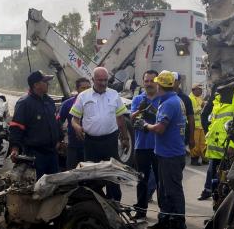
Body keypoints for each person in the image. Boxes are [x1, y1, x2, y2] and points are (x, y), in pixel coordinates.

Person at [70, 66, 130, 201]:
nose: (103, 83)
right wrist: (77, 127)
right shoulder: (83, 96)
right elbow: (74, 119)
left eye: (105, 80)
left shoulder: (114, 94)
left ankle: (115, 203)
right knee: (91, 175)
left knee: (112, 175)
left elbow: (120, 118)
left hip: (110, 142)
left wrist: (125, 138)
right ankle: (94, 204)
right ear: (93, 80)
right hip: (91, 143)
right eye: (99, 80)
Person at [140, 70, 187, 229]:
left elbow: (160, 129)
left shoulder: (168, 103)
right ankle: (165, 219)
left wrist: (144, 125)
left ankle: (178, 225)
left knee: (173, 190)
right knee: (164, 188)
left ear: (160, 85)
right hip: (167, 152)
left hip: (170, 154)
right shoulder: (173, 100)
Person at [9, 70, 61, 179]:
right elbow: (16, 127)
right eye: (45, 81)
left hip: (52, 154)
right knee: (37, 188)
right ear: (36, 85)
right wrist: (15, 148)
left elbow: (56, 122)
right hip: (35, 155)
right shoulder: (24, 103)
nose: (48, 84)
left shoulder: (49, 101)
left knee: (53, 187)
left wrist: (59, 139)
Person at [200, 87, 234, 200]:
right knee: (215, 186)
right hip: (215, 152)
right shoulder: (217, 100)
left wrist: (232, 145)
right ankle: (216, 211)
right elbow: (213, 124)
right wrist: (207, 144)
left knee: (227, 188)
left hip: (229, 153)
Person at [129, 70, 159, 220]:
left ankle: (165, 213)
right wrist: (139, 111)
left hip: (159, 146)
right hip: (141, 146)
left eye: (151, 81)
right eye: (146, 81)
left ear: (157, 82)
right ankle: (141, 211)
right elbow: (131, 118)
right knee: (142, 180)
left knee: (161, 181)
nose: (148, 84)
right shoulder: (138, 99)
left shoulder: (162, 99)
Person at [59, 78, 91, 171]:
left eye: (88, 88)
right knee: (71, 175)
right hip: (73, 146)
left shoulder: (95, 103)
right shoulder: (68, 104)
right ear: (77, 89)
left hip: (91, 147)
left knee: (89, 177)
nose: (86, 90)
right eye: (83, 88)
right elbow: (58, 122)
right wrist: (59, 140)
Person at [174, 74, 196, 155]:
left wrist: (191, 138)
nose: (171, 82)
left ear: (179, 82)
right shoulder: (163, 96)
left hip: (181, 135)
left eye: (174, 80)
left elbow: (191, 119)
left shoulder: (185, 99)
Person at [188, 84, 206, 165]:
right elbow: (190, 112)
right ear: (194, 90)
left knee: (203, 143)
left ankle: (204, 158)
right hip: (194, 126)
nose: (201, 91)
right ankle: (194, 159)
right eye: (199, 89)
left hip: (200, 125)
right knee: (195, 144)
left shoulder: (199, 98)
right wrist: (201, 107)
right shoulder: (190, 99)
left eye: (201, 90)